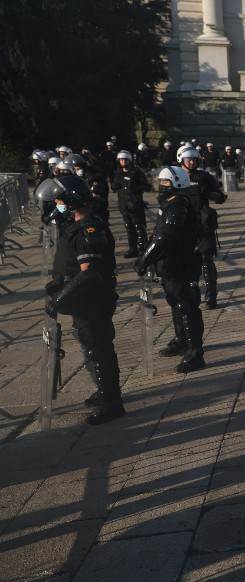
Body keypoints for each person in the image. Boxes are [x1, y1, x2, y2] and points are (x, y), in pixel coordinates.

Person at [40, 175, 125, 424]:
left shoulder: (89, 228)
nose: (57, 204)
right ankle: (104, 391)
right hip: (84, 300)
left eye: (60, 200)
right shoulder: (77, 225)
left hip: (93, 300)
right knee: (90, 346)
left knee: (99, 349)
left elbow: (89, 272)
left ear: (70, 199)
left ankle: (112, 403)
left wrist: (60, 299)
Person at [135, 167, 207, 373]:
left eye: (165, 182)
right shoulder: (171, 203)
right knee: (175, 303)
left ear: (176, 183)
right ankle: (181, 340)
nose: (161, 186)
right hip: (170, 265)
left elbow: (163, 238)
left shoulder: (178, 207)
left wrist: (144, 260)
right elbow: (158, 234)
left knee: (187, 306)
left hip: (180, 264)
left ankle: (195, 353)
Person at [180, 147, 227, 309]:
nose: (192, 162)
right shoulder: (175, 176)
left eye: (194, 160)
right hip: (183, 225)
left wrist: (209, 193)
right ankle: (191, 295)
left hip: (203, 223)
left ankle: (211, 295)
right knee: (186, 262)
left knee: (206, 259)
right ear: (182, 160)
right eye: (188, 160)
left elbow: (220, 197)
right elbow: (163, 197)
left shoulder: (204, 176)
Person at [112, 150, 151, 257]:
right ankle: (132, 249)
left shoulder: (136, 172)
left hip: (135, 205)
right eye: (121, 160)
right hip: (124, 205)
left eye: (125, 159)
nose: (123, 162)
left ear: (129, 160)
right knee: (128, 227)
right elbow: (114, 186)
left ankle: (142, 249)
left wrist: (135, 187)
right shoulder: (118, 172)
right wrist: (116, 185)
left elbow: (147, 187)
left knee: (139, 227)